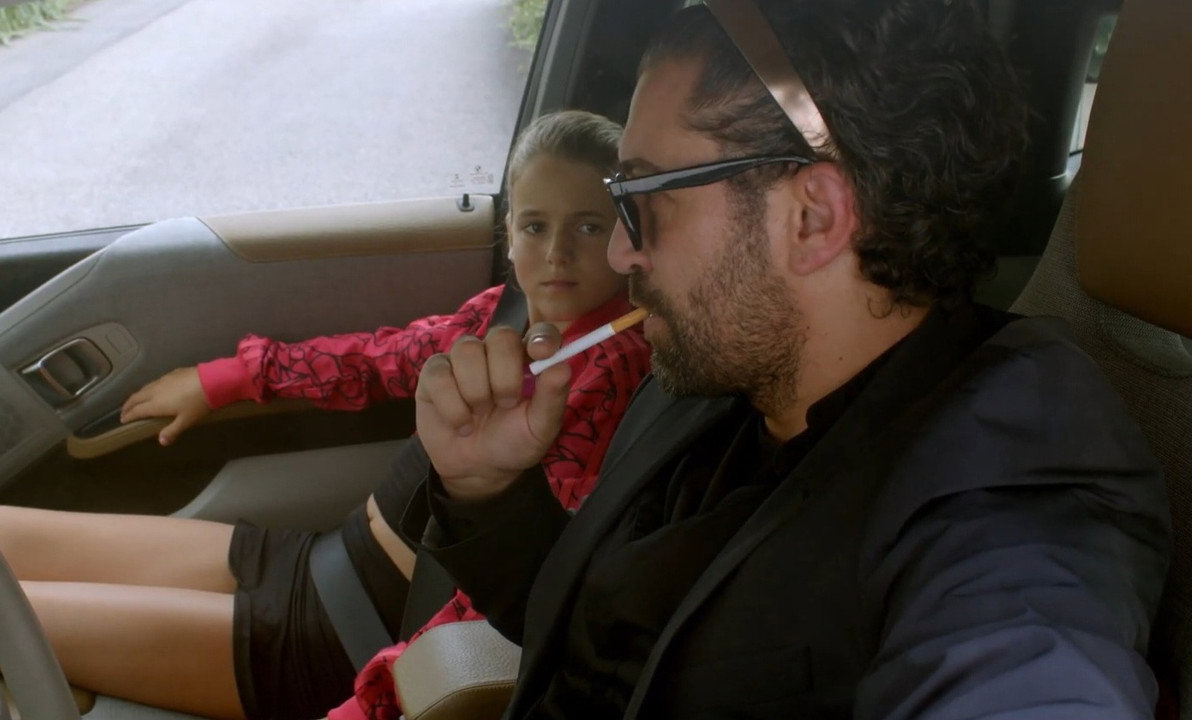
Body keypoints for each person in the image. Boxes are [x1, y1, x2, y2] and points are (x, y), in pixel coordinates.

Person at [406, 2, 1172, 719]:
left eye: (642, 195)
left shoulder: (1014, 480)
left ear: (813, 217)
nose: (619, 251)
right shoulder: (720, 370)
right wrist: (488, 489)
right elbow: (597, 638)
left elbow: (1031, 670)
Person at [0, 110, 651, 720]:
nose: (556, 254)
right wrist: (227, 379)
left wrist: (372, 702)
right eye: (535, 226)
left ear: (628, 238)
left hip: (341, 637)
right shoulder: (506, 312)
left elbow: (513, 602)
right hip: (320, 556)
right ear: (509, 232)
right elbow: (379, 358)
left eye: (589, 226)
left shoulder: (611, 374)